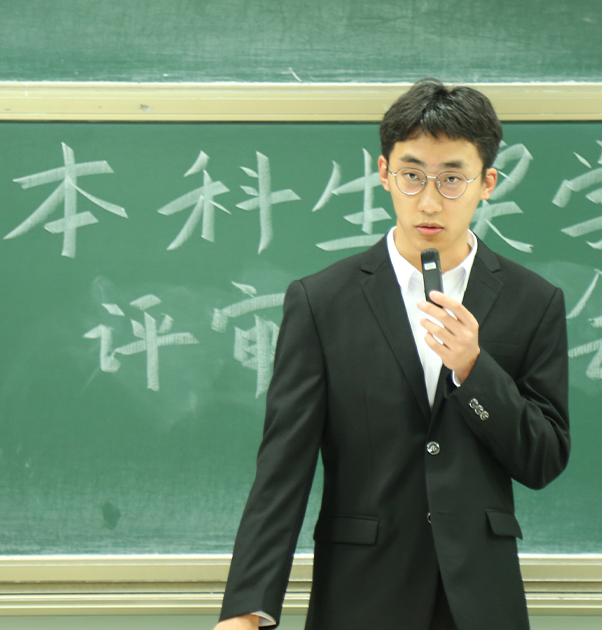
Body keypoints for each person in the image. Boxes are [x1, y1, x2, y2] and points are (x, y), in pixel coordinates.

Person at [214, 78, 570, 630]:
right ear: (384, 174)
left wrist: (475, 370)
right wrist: (246, 608)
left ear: (487, 183)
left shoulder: (533, 301)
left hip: (479, 600)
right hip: (361, 594)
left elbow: (543, 459)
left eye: (452, 178)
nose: (429, 200)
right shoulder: (322, 301)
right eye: (412, 175)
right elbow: (282, 467)